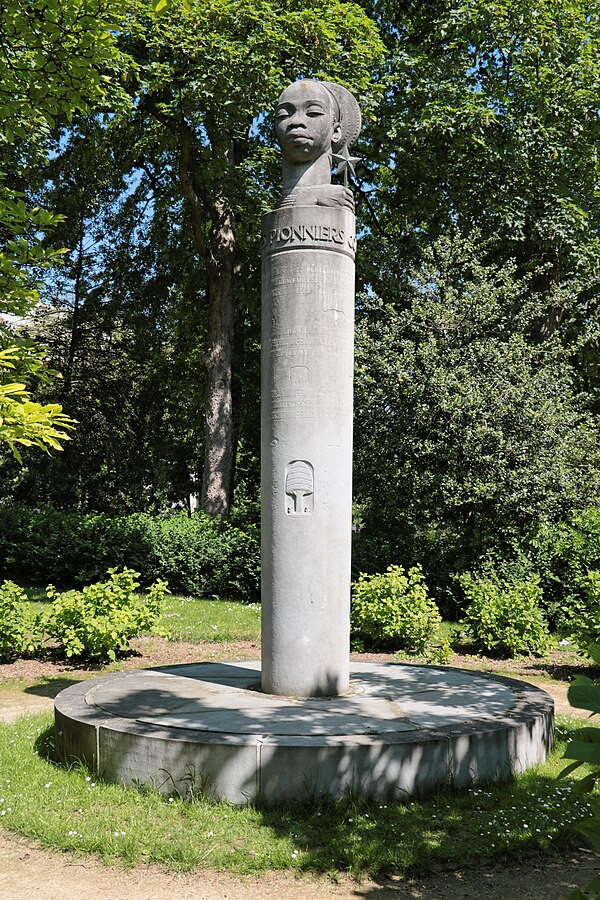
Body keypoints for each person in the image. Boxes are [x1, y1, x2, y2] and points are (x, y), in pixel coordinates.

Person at [274, 79, 359, 210]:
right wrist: (311, 197)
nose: (295, 121)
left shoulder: (340, 198)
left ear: (336, 131)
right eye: (283, 115)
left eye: (313, 113)